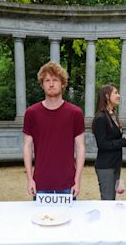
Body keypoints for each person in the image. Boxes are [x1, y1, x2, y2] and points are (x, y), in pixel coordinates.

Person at [23, 61, 85, 197]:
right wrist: (30, 179)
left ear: (62, 83)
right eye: (47, 80)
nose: (51, 84)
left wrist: (77, 180)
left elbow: (80, 147)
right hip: (40, 183)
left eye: (55, 80)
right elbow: (27, 147)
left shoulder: (75, 113)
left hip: (68, 184)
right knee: (41, 219)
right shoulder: (31, 113)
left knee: (70, 219)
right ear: (42, 84)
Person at [92, 83, 126, 200]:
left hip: (115, 164)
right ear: (106, 96)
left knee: (113, 199)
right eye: (115, 93)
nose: (119, 95)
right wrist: (123, 141)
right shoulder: (100, 118)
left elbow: (112, 138)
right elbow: (102, 144)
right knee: (108, 201)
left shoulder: (113, 114)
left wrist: (123, 139)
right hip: (106, 166)